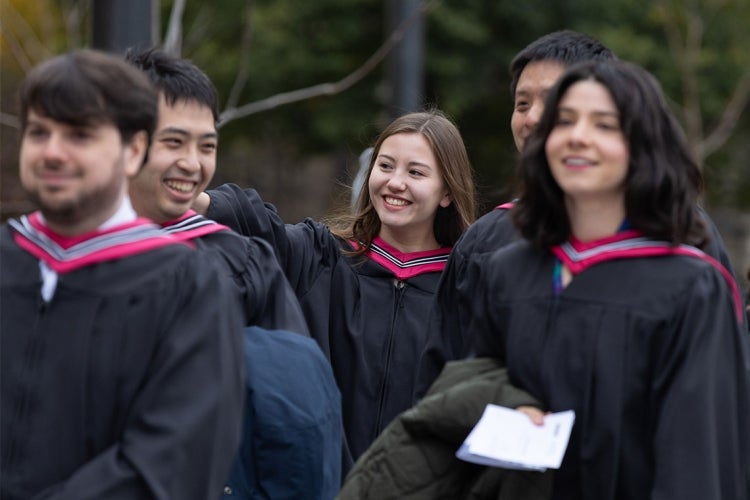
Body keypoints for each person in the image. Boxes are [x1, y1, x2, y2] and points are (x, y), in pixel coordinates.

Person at [465, 59, 749, 499]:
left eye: (604, 124)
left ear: (642, 146)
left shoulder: (689, 287)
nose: (579, 136)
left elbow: (696, 462)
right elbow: (466, 405)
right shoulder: (508, 272)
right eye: (566, 121)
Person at [414, 30, 741, 398]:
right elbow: (443, 386)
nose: (533, 118)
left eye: (555, 106)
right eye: (522, 104)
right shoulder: (487, 245)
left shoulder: (685, 241)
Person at [0, 49, 245, 499]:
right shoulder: (7, 258)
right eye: (39, 132)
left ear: (133, 150)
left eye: (79, 135)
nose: (52, 152)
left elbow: (173, 462)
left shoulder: (189, 287)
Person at [194, 109, 477, 470]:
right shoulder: (322, 259)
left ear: (447, 193)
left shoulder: (466, 287)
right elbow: (258, 227)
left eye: (415, 172)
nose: (394, 182)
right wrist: (193, 198)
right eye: (386, 166)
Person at [124, 48, 342, 499]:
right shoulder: (46, 261)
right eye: (173, 142)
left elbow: (297, 419)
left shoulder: (242, 261)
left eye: (206, 146)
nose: (193, 163)